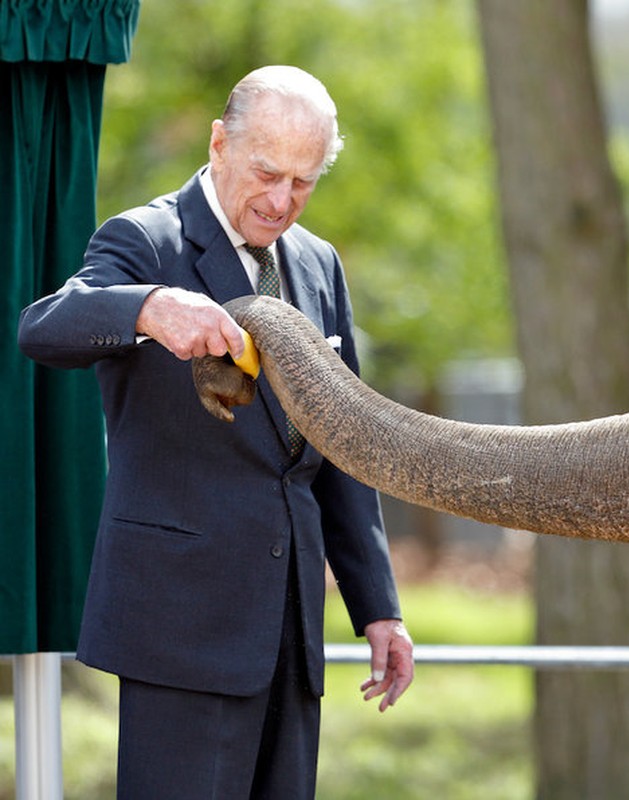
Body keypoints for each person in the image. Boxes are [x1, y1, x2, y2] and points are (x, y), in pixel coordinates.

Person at [18, 65, 414, 798]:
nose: (280, 201)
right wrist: (147, 309)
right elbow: (44, 327)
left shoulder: (317, 262)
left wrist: (378, 608)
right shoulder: (144, 238)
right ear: (220, 142)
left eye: (303, 182)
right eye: (267, 173)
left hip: (291, 633)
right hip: (179, 631)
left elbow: (344, 441)